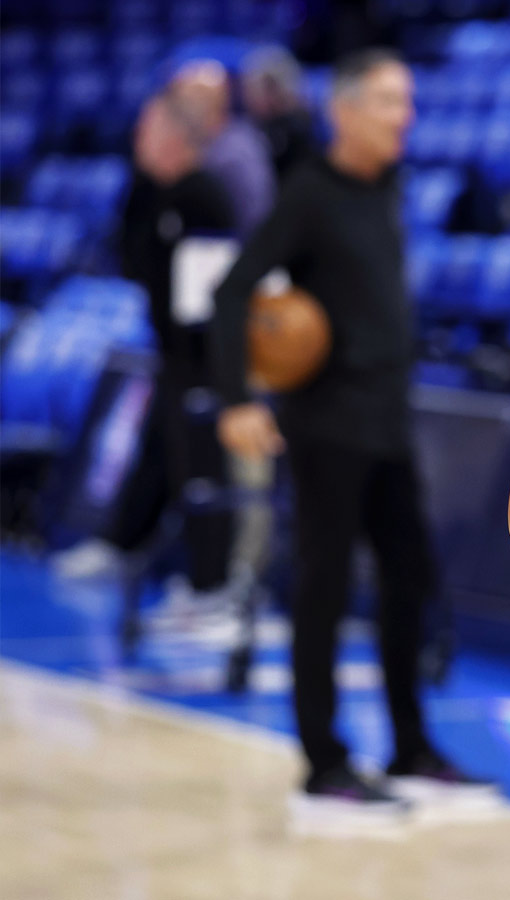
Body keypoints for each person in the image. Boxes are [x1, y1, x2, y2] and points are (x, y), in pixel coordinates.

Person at [209, 48, 491, 822]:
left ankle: (409, 746)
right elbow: (234, 290)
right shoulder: (308, 193)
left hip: (388, 421)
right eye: (389, 102)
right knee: (323, 591)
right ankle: (323, 759)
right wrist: (238, 397)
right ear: (344, 111)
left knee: (410, 581)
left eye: (407, 101)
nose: (405, 116)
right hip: (326, 425)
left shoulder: (387, 187)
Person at [53, 96, 238, 588]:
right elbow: (131, 259)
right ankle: (121, 544)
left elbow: (205, 298)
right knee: (157, 454)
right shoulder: (153, 193)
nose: (139, 140)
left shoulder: (204, 195)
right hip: (170, 351)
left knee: (200, 465)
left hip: (204, 358)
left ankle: (210, 583)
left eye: (149, 130)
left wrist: (203, 361)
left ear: (176, 137)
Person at [169, 59, 277, 234]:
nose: (183, 116)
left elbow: (255, 219)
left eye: (190, 103)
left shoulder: (234, 150)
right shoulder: (206, 142)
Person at [241, 45, 320, 180]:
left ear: (273, 92)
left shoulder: (296, 130)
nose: (248, 97)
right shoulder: (257, 124)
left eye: (254, 90)